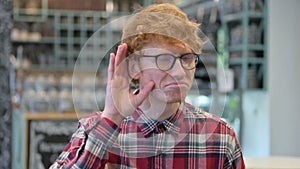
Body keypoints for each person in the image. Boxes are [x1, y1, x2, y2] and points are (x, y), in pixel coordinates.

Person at [50, 3, 245, 169]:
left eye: (186, 58)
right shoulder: (96, 130)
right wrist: (112, 118)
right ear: (134, 67)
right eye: (164, 59)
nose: (179, 72)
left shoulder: (219, 137)